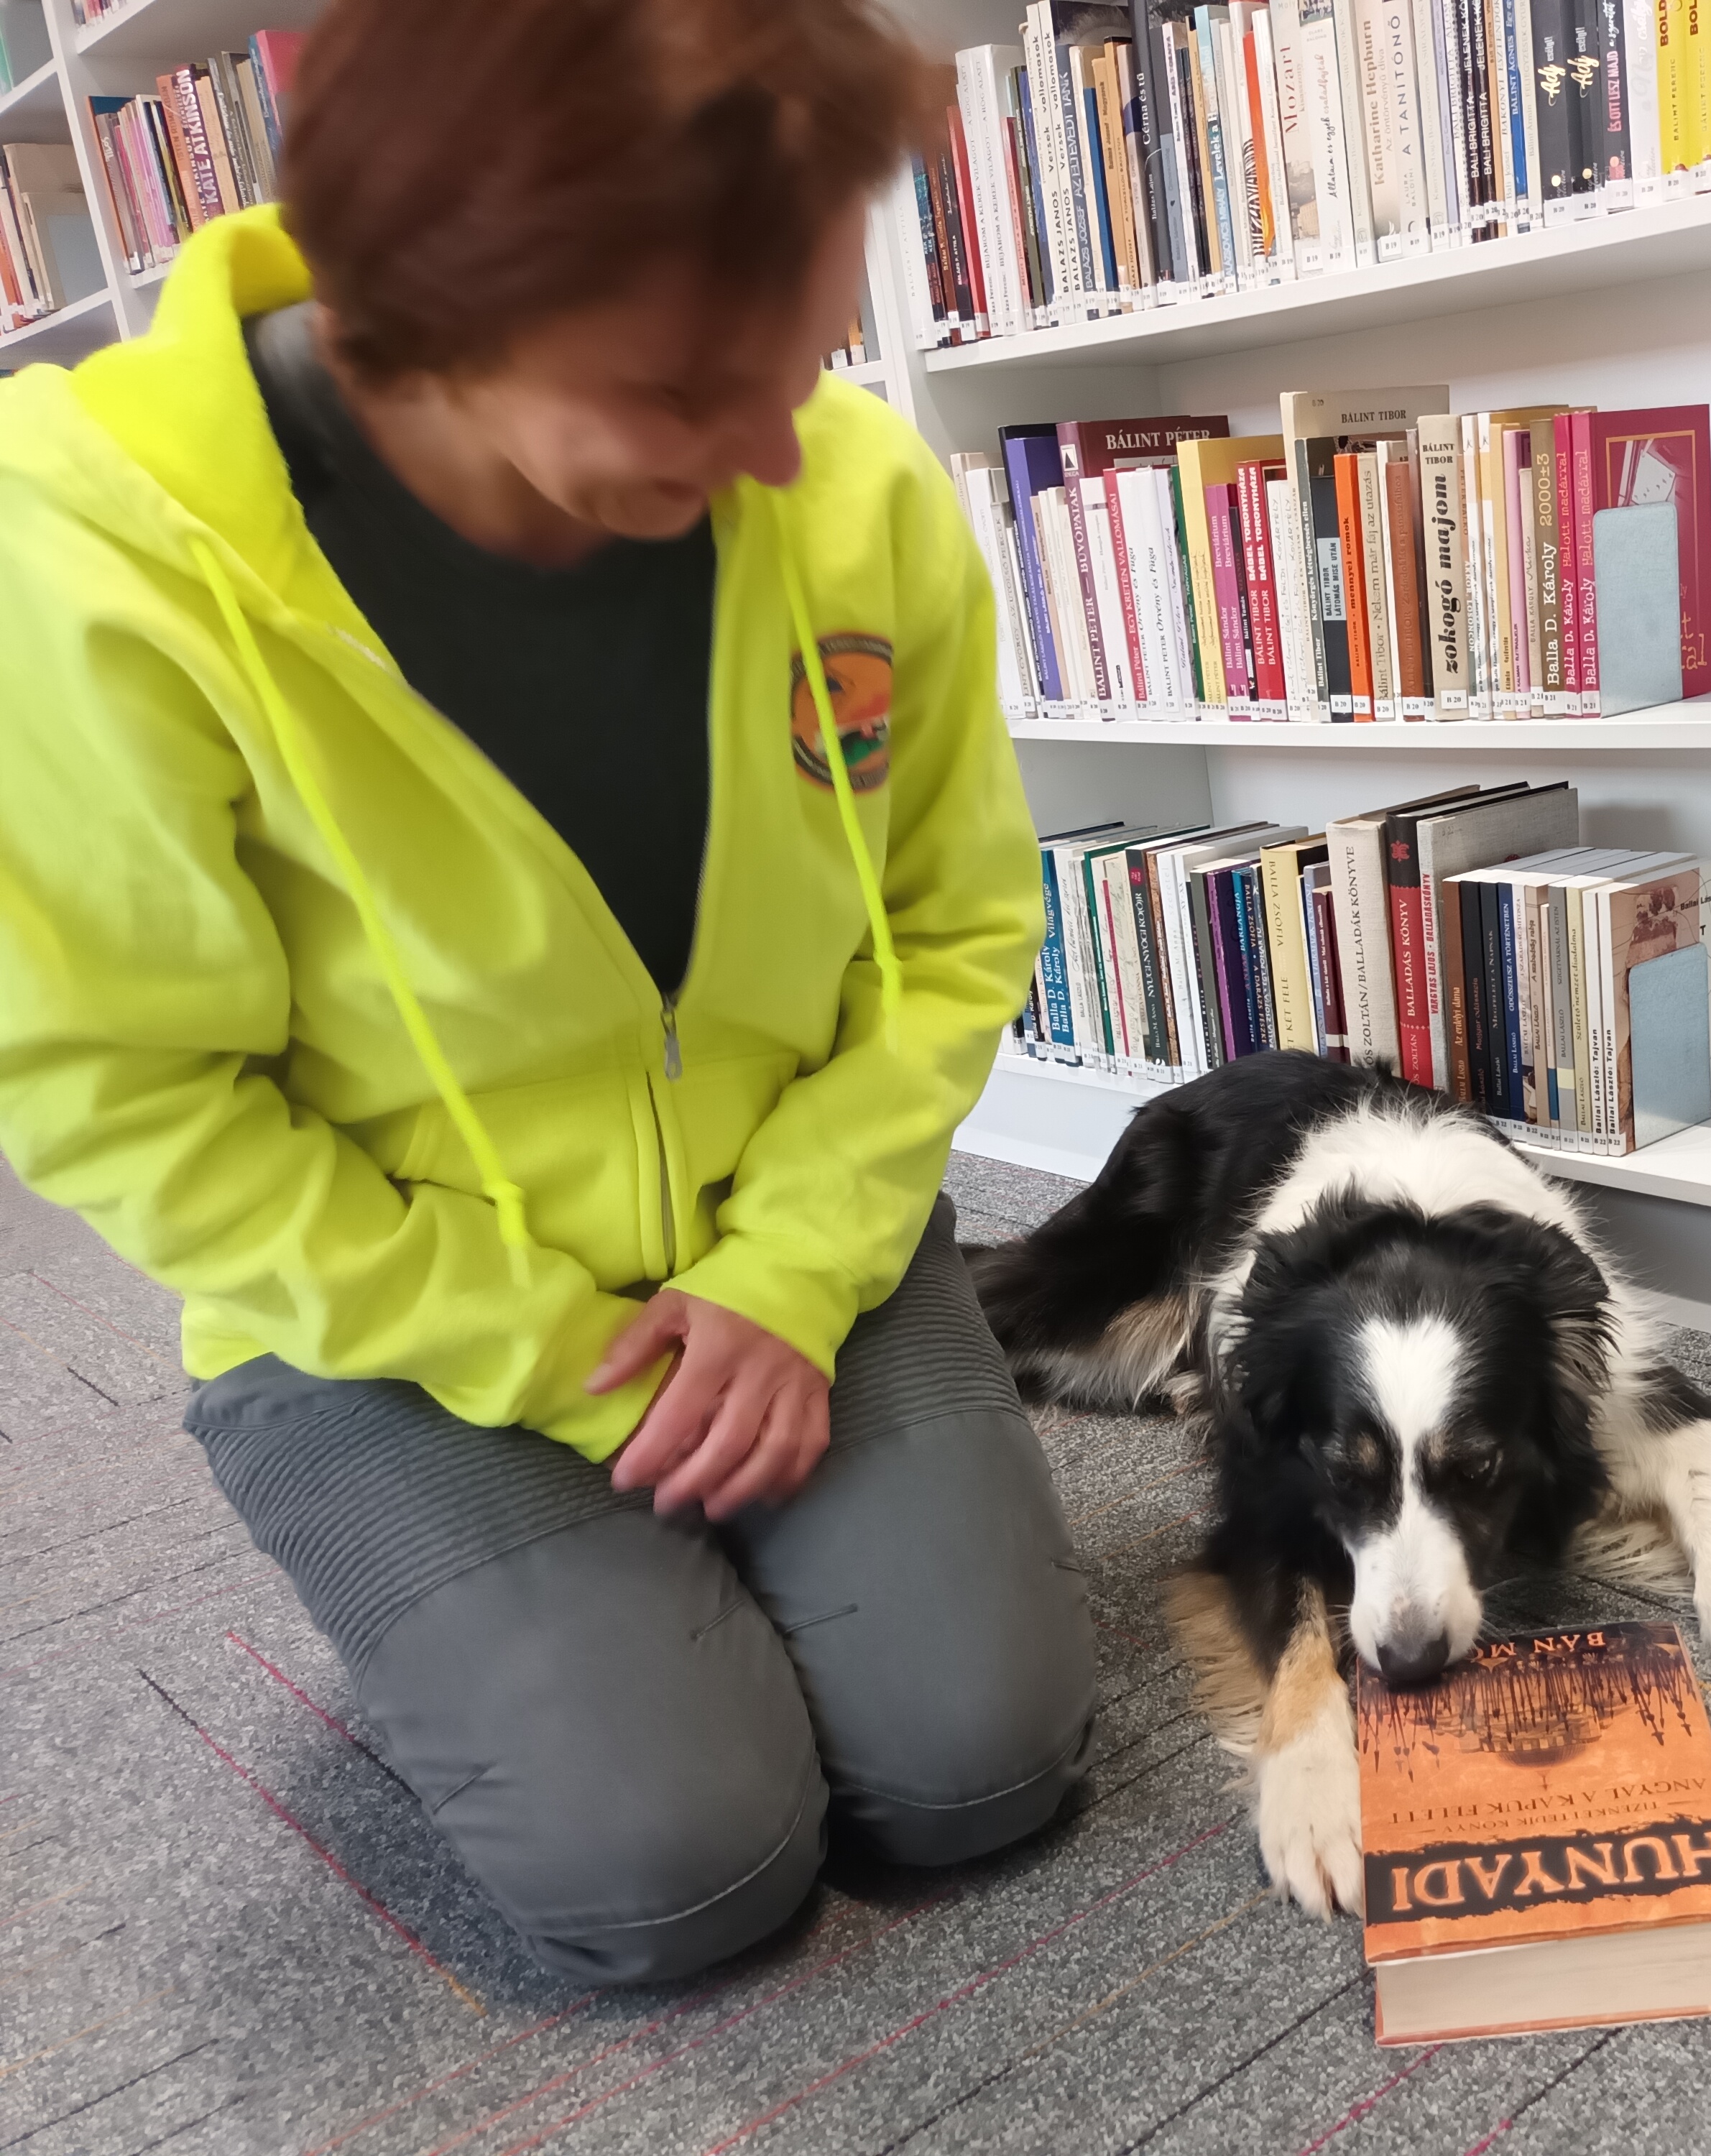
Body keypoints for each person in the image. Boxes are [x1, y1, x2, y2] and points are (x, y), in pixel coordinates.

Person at [0, 0, 1092, 1986]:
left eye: (804, 358)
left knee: (981, 1766)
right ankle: (493, 1590)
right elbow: (125, 1094)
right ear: (417, 297)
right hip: (394, 1315)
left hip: (796, 1237)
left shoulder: (847, 492)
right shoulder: (87, 568)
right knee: (677, 1869)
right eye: (683, 386)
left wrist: (792, 1272)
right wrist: (542, 1353)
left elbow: (952, 933)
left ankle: (654, 1589)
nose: (779, 448)